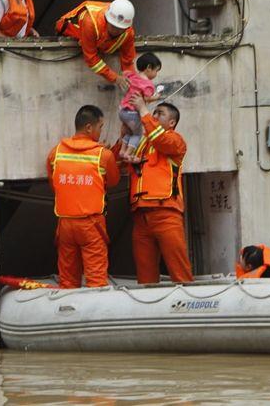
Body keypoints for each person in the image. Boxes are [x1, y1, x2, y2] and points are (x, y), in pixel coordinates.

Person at [117, 93, 193, 284]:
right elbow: (117, 161)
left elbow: (161, 141)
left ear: (172, 122)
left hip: (166, 214)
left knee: (179, 271)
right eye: (154, 113)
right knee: (145, 276)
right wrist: (124, 136)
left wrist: (143, 109)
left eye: (160, 113)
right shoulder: (141, 143)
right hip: (141, 217)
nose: (154, 116)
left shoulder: (176, 141)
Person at [47, 105, 120, 289]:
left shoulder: (56, 152)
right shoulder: (103, 155)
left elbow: (54, 184)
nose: (100, 131)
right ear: (89, 127)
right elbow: (113, 181)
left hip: (65, 224)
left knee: (68, 279)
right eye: (100, 127)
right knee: (96, 280)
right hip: (91, 224)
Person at [55, 0, 136, 92]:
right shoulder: (90, 22)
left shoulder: (128, 32)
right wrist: (115, 78)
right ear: (106, 19)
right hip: (71, 30)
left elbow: (128, 61)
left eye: (120, 28)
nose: (116, 31)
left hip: (100, 42)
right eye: (113, 26)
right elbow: (91, 58)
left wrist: (133, 84)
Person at [119, 52, 163, 162]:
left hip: (122, 111)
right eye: (156, 70)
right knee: (137, 134)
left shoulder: (132, 75)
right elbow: (147, 99)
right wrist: (156, 97)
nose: (156, 74)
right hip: (133, 114)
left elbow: (124, 73)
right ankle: (127, 154)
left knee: (130, 132)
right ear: (149, 68)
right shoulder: (148, 84)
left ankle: (122, 150)